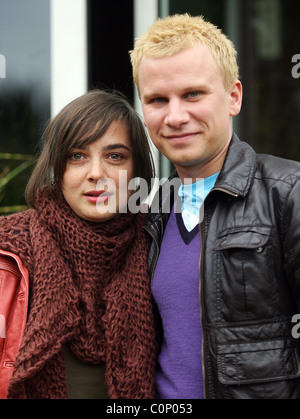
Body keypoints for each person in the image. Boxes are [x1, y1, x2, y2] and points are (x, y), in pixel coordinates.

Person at [130, 14, 300, 399]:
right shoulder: (146, 212)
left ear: (233, 97)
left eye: (193, 94)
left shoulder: (288, 194)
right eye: (158, 99)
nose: (175, 116)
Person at [0, 89, 156, 399]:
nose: (97, 174)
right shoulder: (8, 253)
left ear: (137, 171)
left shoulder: (161, 252)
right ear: (57, 168)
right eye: (77, 156)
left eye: (115, 156)